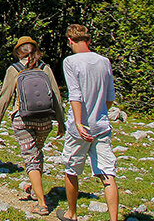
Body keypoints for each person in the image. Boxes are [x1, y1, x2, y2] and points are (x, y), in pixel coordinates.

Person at [0, 36, 65, 217]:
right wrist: (61, 122)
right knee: (36, 153)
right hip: (45, 120)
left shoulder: (14, 70)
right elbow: (56, 95)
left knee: (31, 158)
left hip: (22, 120)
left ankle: (41, 203)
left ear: (18, 52)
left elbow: (5, 96)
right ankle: (34, 189)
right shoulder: (45, 68)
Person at [57, 24, 118, 221]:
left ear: (70, 41)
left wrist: (79, 122)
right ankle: (114, 218)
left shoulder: (70, 62)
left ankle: (71, 213)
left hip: (79, 127)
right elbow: (110, 96)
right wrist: (100, 113)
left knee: (71, 169)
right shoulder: (104, 61)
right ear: (89, 40)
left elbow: (75, 94)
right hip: (101, 125)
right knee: (108, 174)